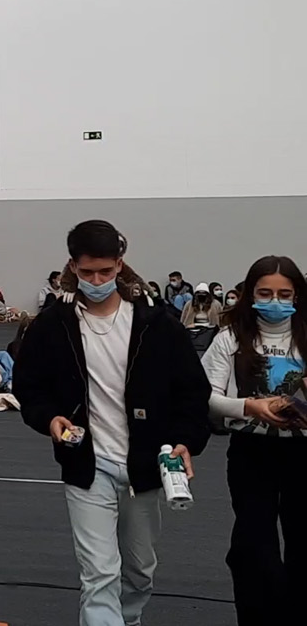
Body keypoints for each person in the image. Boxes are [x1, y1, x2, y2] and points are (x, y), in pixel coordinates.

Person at [14, 221, 211, 626]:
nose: (97, 281)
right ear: (73, 266)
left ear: (120, 265)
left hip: (147, 465)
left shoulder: (157, 325)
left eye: (105, 271)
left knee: (140, 571)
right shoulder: (52, 325)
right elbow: (29, 386)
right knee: (100, 573)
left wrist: (185, 440)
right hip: (88, 466)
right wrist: (49, 418)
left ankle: (129, 618)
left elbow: (192, 390)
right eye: (87, 272)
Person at [199, 255, 307, 625]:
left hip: (303, 453)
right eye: (265, 293)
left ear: (297, 295)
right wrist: (248, 406)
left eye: (284, 294)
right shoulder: (229, 338)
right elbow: (206, 395)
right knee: (254, 546)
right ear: (250, 294)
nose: (275, 301)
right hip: (252, 452)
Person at [180, 282, 222, 351]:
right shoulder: (189, 304)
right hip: (193, 331)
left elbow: (220, 321)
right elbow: (183, 320)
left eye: (204, 293)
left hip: (210, 331)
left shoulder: (216, 304)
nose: (201, 295)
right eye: (199, 293)